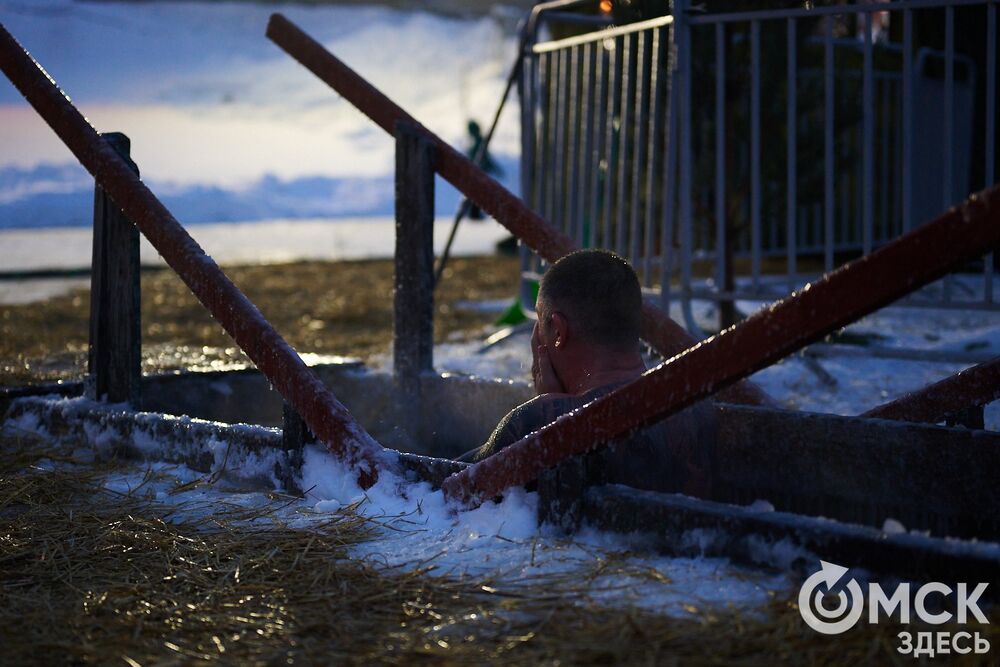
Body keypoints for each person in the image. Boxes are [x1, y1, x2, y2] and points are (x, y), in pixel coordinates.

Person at [470, 249, 715, 498]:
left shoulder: (533, 422)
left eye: (540, 323)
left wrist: (551, 410)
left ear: (558, 331)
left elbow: (453, 492)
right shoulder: (697, 407)